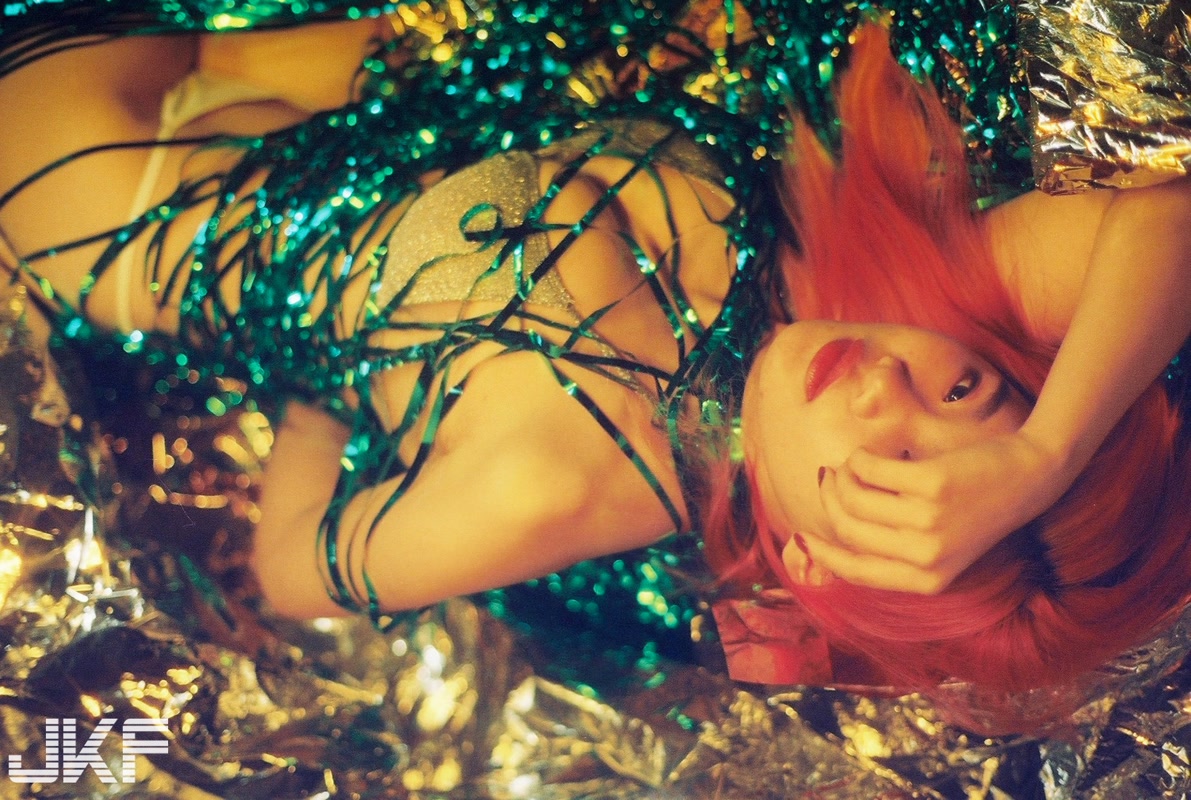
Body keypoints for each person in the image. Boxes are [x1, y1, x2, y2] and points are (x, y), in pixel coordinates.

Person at [0, 7, 1186, 697]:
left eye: (896, 468)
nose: (887, 385)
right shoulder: (858, 293)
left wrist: (320, 378)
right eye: (963, 386)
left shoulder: (565, 479)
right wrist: (1041, 453)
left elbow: (297, 570)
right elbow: (1168, 206)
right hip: (281, 76)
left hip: (100, 185)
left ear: (812, 558)